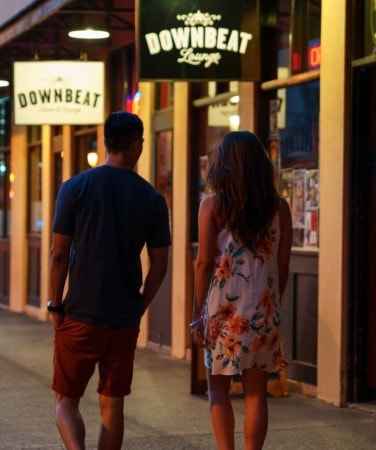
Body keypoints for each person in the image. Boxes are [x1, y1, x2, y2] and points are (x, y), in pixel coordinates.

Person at [48, 111, 171, 450]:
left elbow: (58, 254)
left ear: (107, 142)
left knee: (65, 400)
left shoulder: (74, 188)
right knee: (112, 406)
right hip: (122, 318)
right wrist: (139, 306)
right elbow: (159, 266)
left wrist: (54, 305)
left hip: (79, 314)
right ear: (136, 145)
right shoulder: (153, 199)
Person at [191, 131, 291, 450]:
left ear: (224, 166)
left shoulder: (212, 206)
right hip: (263, 308)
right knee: (255, 393)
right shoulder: (280, 208)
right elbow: (283, 264)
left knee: (218, 390)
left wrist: (197, 314)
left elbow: (205, 263)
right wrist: (273, 302)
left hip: (223, 310)